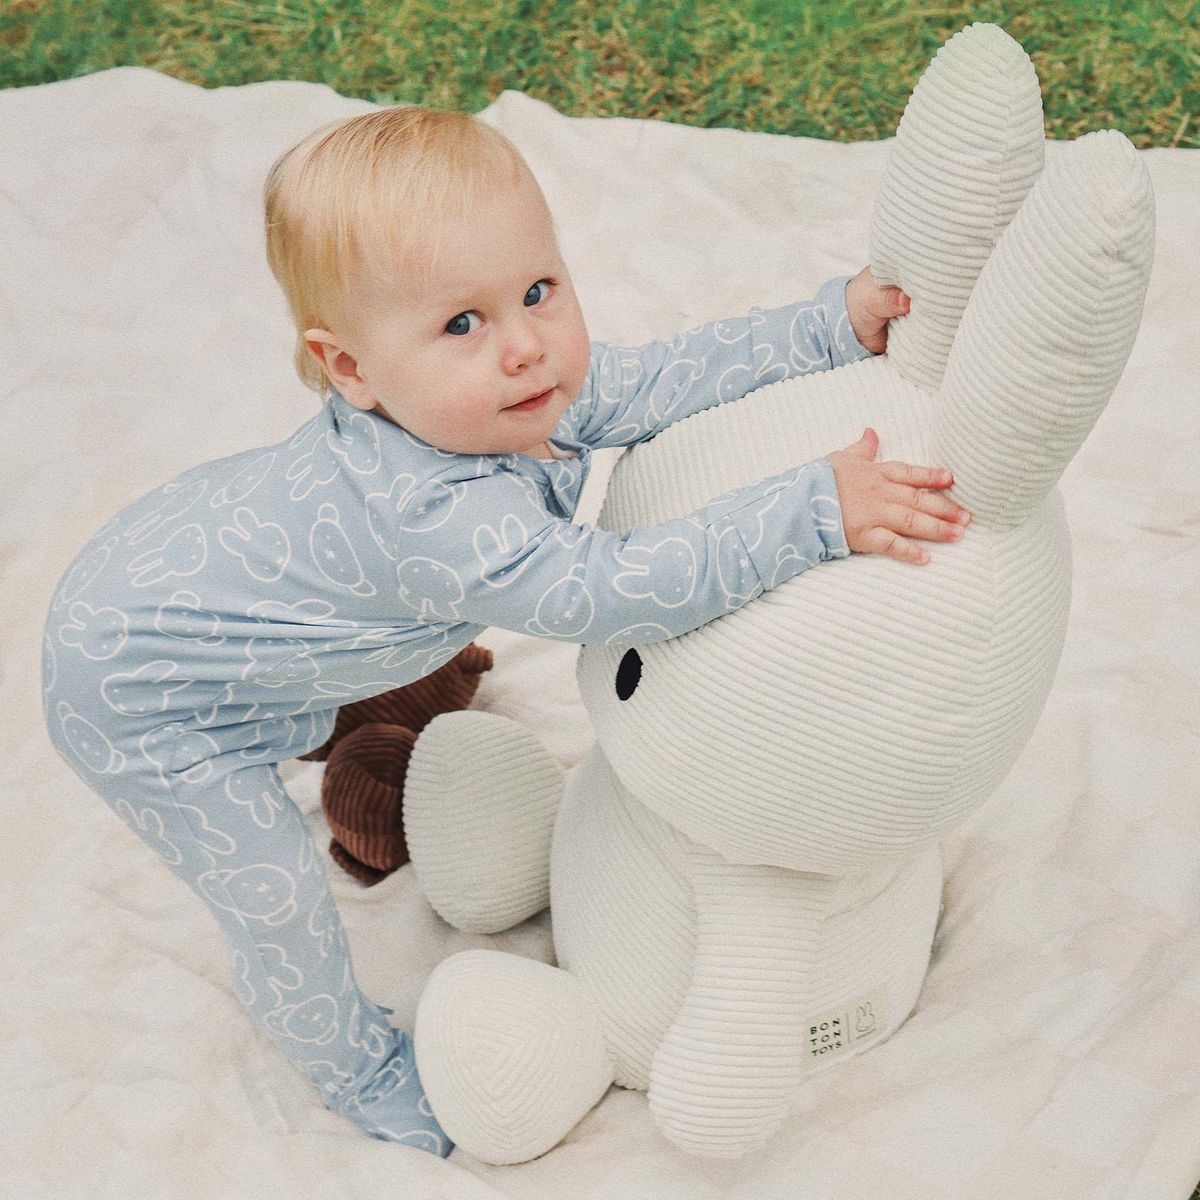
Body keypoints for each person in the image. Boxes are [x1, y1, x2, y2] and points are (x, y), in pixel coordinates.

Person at [41, 105, 972, 1155]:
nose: (526, 347)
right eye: (461, 325)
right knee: (275, 896)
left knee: (342, 640)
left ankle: (330, 701)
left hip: (198, 583)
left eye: (537, 290)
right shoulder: (438, 518)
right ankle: (358, 1069)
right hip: (140, 696)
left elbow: (664, 378)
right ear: (352, 370)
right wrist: (810, 510)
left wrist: (829, 326)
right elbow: (616, 590)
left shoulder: (507, 397)